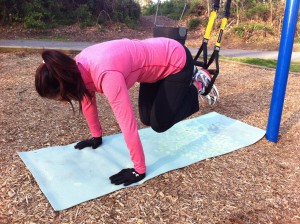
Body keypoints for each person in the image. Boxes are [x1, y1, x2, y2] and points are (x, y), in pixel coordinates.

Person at [35, 37, 219, 186]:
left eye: (60, 99)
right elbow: (87, 99)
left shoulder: (107, 75)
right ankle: (178, 87)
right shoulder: (75, 69)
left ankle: (197, 83)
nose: (62, 103)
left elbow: (127, 123)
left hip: (176, 61)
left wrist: (138, 169)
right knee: (147, 118)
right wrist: (96, 136)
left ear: (64, 87)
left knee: (159, 124)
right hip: (155, 67)